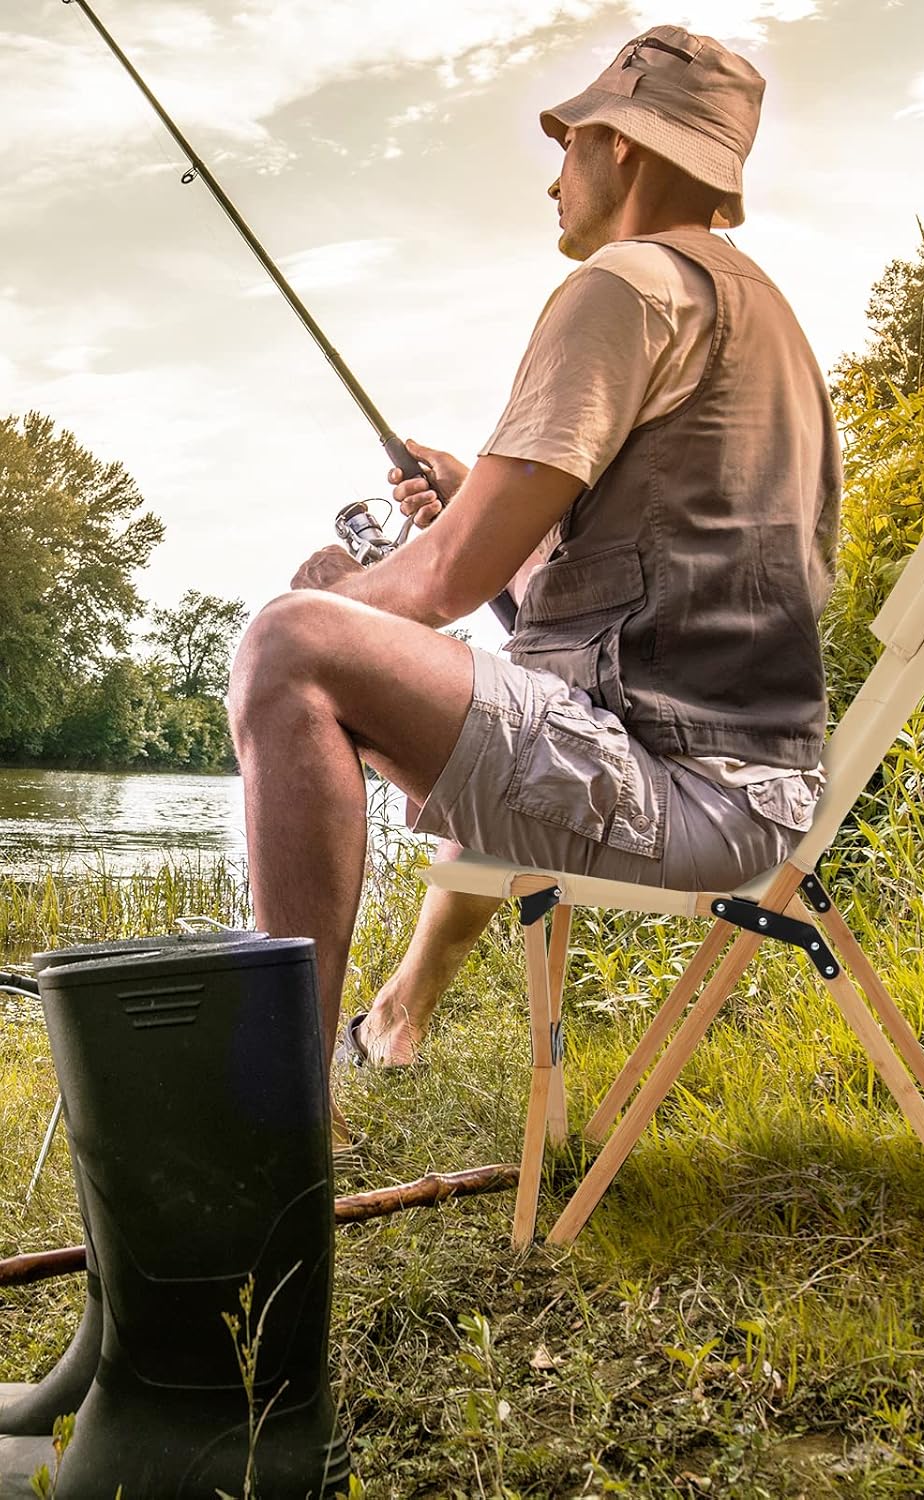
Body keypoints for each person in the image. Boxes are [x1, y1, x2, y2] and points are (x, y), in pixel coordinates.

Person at [228, 25, 842, 1104]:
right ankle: (369, 1033)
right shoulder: (763, 317)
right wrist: (474, 497)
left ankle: (281, 1117)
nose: (555, 175)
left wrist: (337, 600)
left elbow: (444, 583)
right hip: (752, 782)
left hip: (687, 794)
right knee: (333, 644)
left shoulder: (628, 283)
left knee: (288, 648)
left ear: (628, 144)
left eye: (571, 142)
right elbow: (612, 601)